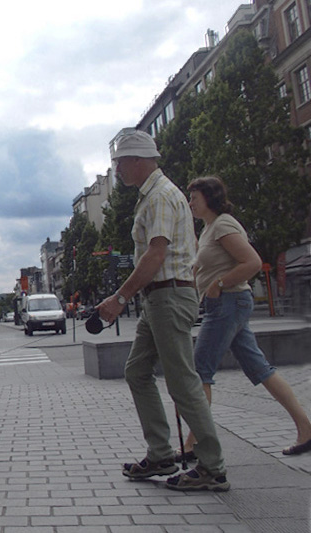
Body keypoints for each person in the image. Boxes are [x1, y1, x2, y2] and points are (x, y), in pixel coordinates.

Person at [96, 129, 229, 492]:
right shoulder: (155, 195)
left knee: (182, 383)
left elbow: (156, 255)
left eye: (120, 163)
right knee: (137, 371)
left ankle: (212, 466)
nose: (118, 170)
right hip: (160, 297)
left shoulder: (159, 198)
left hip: (168, 296)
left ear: (137, 160)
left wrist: (119, 298)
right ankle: (161, 453)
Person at [179, 176, 311, 458]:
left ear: (209, 198)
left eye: (194, 197)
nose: (190, 203)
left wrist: (219, 285)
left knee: (200, 371)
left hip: (229, 303)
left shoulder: (223, 224)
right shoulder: (208, 229)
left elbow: (251, 262)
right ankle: (306, 427)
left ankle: (195, 444)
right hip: (224, 305)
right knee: (260, 369)